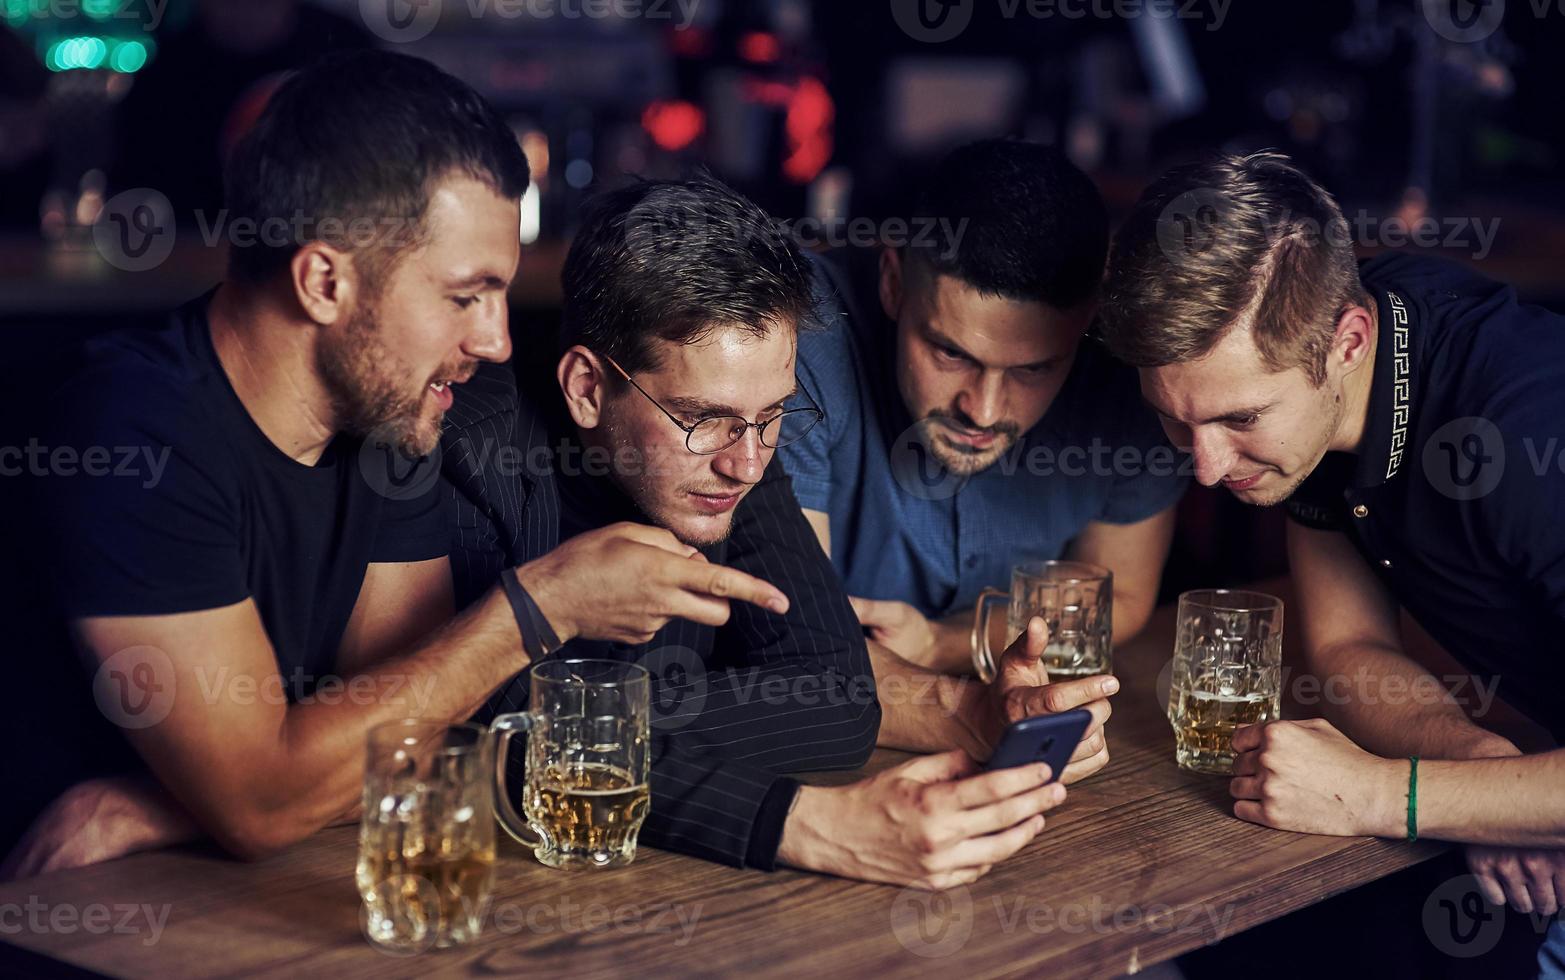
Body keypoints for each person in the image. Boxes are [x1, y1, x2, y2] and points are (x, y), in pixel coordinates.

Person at [0, 52, 782, 880]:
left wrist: (162, 804)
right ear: (325, 282)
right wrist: (543, 604)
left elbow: (412, 740)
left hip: (230, 886)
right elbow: (267, 802)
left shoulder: (391, 425)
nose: (496, 341)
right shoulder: (135, 434)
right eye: (464, 296)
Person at [439, 175, 1089, 889]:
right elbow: (474, 742)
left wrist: (577, 729)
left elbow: (839, 701)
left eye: (773, 414)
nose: (746, 463)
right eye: (701, 418)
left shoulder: (736, 445)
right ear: (589, 388)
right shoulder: (472, 448)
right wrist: (801, 824)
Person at [1098, 149, 1565, 974]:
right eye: (1177, 421)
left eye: (1239, 416)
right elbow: (1350, 647)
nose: (1204, 467)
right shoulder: (1324, 388)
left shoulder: (1525, 431)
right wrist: (1483, 781)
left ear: (1346, 341)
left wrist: (1388, 797)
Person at [779, 139, 1187, 681]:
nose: (983, 411)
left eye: (1033, 369)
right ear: (894, 283)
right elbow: (799, 640)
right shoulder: (794, 334)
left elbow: (1121, 595)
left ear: (1089, 320)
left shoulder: (1130, 369)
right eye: (951, 353)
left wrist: (942, 644)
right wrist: (974, 709)